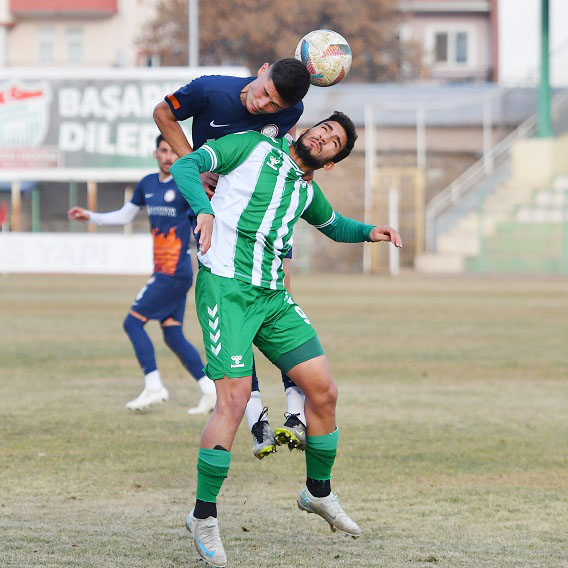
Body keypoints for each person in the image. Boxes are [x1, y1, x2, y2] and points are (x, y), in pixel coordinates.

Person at [169, 111, 403, 567]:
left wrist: (371, 231)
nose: (323, 136)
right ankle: (203, 516)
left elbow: (333, 224)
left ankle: (318, 492)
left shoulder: (306, 189)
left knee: (324, 391)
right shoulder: (251, 146)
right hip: (226, 288)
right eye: (323, 128)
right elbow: (185, 166)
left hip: (272, 297)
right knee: (233, 403)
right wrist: (203, 207)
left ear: (331, 161)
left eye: (333, 140)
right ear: (306, 129)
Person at [154, 57, 311, 455]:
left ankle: (295, 412)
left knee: (279, 302)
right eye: (263, 93)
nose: (263, 105)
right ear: (261, 70)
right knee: (238, 315)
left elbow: (275, 152)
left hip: (264, 220)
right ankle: (257, 416)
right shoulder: (210, 89)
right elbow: (161, 113)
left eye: (274, 105)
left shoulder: (293, 109)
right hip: (218, 218)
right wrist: (193, 160)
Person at [68, 135, 216, 413]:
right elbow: (126, 216)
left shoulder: (188, 183)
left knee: (132, 323)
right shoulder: (147, 183)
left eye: (173, 151)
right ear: (155, 153)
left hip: (175, 270)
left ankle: (154, 386)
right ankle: (209, 390)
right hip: (163, 269)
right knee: (172, 334)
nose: (168, 156)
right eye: (163, 150)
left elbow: (206, 215)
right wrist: (91, 216)